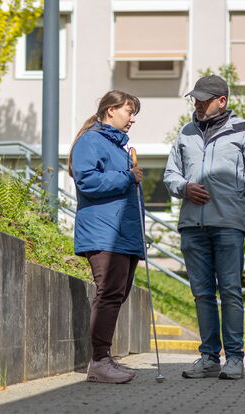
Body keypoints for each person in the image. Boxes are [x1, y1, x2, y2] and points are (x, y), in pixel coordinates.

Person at [164, 75, 245, 380]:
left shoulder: (243, 130)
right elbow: (170, 174)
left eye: (204, 99)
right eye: (195, 98)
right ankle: (209, 357)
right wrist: (184, 188)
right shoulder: (185, 132)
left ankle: (235, 358)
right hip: (192, 225)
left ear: (222, 101)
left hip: (228, 224)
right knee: (202, 294)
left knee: (231, 291)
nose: (197, 103)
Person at [69, 90, 145, 384]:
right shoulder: (91, 141)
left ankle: (104, 358)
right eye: (129, 111)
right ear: (110, 110)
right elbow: (87, 180)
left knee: (118, 294)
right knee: (109, 293)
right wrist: (128, 177)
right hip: (104, 233)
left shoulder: (118, 148)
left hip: (123, 234)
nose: (133, 119)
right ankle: (99, 361)